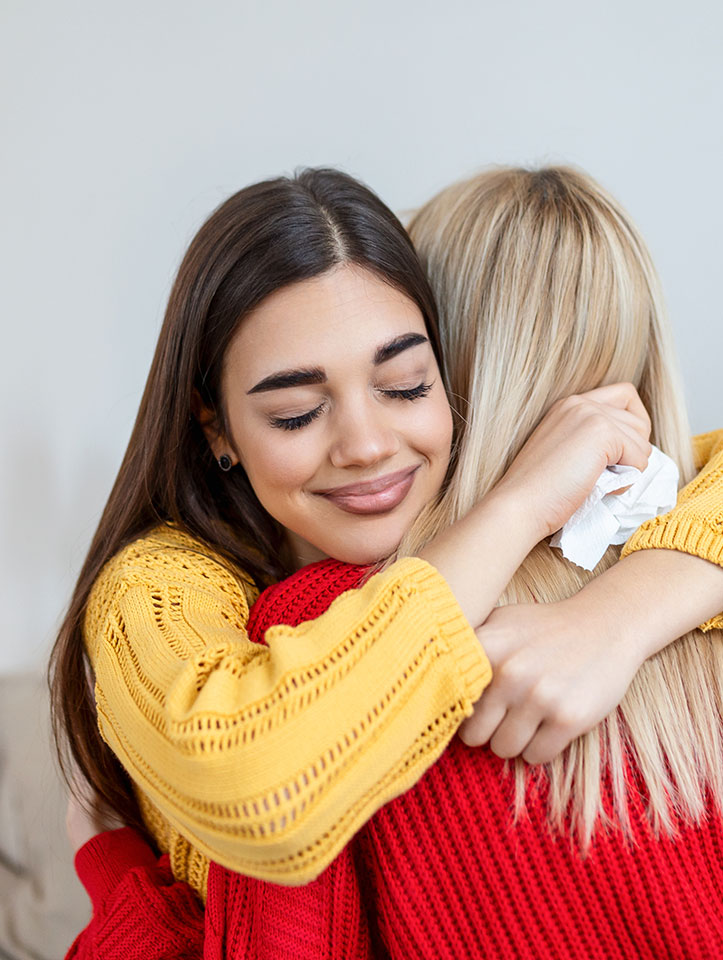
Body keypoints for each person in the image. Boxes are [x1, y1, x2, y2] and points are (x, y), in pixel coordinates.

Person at [59, 168, 723, 957]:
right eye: (296, 412)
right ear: (215, 430)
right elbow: (260, 773)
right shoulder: (175, 594)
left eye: (406, 386)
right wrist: (520, 512)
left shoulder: (637, 534)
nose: (366, 445)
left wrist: (615, 617)